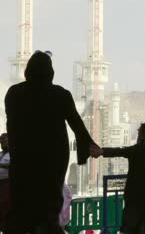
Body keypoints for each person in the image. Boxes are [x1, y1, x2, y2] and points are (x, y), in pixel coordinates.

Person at [4, 51, 98, 234]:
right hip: (52, 163)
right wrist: (89, 147)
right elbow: (77, 125)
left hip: (23, 161)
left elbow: (12, 124)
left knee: (23, 206)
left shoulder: (14, 93)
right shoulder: (60, 95)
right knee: (48, 208)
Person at [90, 123, 145, 234]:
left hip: (133, 195)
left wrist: (102, 151)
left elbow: (119, 151)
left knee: (129, 226)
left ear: (140, 135)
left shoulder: (133, 150)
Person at [0, 133, 11, 232]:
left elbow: (15, 166)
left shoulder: (14, 153)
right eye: (1, 141)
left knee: (5, 208)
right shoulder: (0, 154)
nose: (2, 143)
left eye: (4, 141)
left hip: (7, 184)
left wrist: (1, 165)